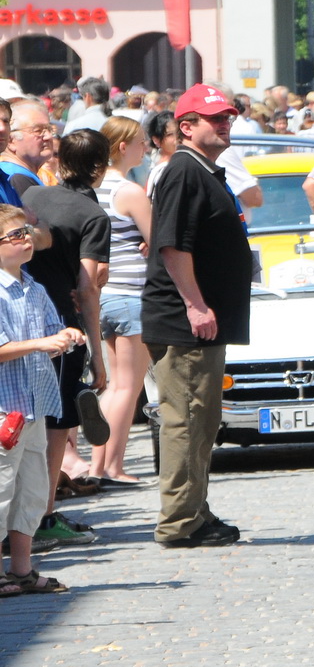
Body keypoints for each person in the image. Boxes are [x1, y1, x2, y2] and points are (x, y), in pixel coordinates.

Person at [142, 84, 252, 547]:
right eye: (215, 119)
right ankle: (179, 522)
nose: (225, 124)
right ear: (186, 127)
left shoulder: (204, 169)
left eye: (227, 117)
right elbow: (172, 245)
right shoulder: (184, 171)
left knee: (202, 420)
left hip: (201, 320)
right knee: (186, 420)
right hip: (185, 321)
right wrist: (195, 303)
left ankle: (195, 511)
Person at [20, 128, 110, 549]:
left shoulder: (34, 195)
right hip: (62, 326)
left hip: (21, 320)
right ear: (100, 167)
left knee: (25, 424)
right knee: (56, 426)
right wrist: (97, 352)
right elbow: (88, 286)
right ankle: (44, 515)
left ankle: (24, 518)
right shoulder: (93, 215)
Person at [0, 203, 85, 596]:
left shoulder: (34, 287)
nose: (25, 240)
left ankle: (22, 569)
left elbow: (51, 335)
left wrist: (67, 337)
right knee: (0, 492)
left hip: (35, 403)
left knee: (31, 491)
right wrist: (42, 343)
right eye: (15, 235)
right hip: (6, 410)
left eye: (27, 233)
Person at [90, 117, 151, 484]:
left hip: (103, 294)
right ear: (123, 147)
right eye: (142, 142)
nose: (147, 148)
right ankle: (110, 466)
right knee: (129, 385)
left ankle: (100, 464)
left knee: (115, 383)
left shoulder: (94, 187)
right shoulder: (129, 191)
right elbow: (158, 240)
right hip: (131, 293)